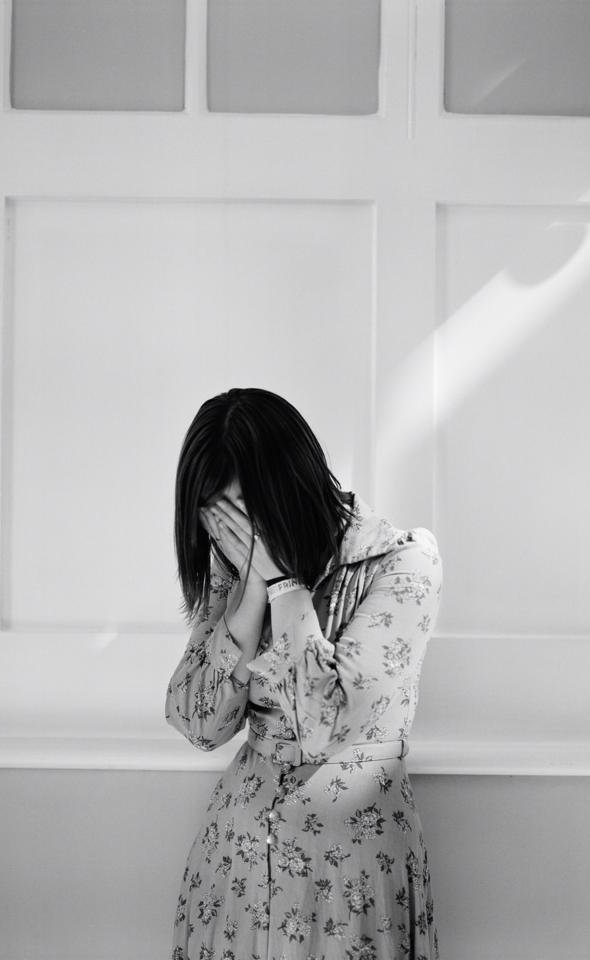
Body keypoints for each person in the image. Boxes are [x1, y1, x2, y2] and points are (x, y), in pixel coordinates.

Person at [166, 387, 443, 960]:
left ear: (291, 484)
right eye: (217, 518)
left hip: (351, 888)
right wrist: (249, 595)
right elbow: (199, 723)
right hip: (234, 880)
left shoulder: (402, 562)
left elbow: (324, 726)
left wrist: (284, 584)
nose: (233, 534)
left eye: (243, 512)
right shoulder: (232, 569)